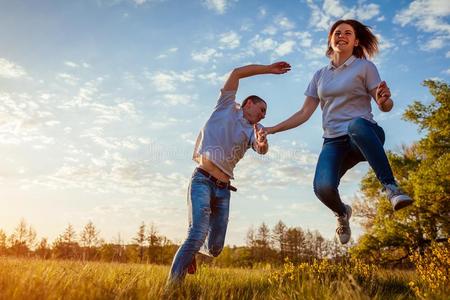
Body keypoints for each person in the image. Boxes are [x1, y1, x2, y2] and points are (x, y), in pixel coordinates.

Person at [265, 19, 413, 245]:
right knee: (323, 188)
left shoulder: (364, 67)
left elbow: (384, 104)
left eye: (347, 33)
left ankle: (391, 188)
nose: (341, 36)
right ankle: (342, 213)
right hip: (333, 143)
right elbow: (304, 112)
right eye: (337, 32)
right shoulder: (320, 75)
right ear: (330, 39)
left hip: (364, 135)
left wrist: (385, 101)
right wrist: (272, 129)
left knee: (356, 125)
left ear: (356, 41)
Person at [167, 62, 291, 284]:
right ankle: (171, 290)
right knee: (196, 234)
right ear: (249, 104)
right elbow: (236, 73)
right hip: (202, 181)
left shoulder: (252, 131)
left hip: (224, 190)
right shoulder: (225, 106)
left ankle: (192, 250)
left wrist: (263, 142)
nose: (263, 116)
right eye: (262, 110)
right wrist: (269, 69)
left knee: (214, 248)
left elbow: (261, 149)